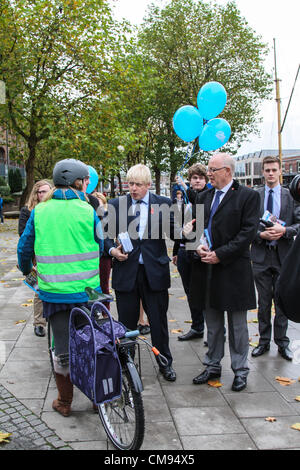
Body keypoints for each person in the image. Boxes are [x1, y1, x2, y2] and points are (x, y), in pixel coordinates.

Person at [17, 158, 104, 417]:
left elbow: (24, 247)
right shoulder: (88, 210)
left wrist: (26, 270)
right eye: (85, 181)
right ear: (78, 182)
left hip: (54, 293)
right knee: (92, 343)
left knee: (62, 350)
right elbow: (100, 245)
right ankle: (97, 399)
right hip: (88, 292)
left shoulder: (40, 211)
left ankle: (65, 402)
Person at [187, 153, 260, 392]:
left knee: (238, 325)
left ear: (227, 171)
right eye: (209, 169)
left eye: (212, 169)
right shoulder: (203, 196)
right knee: (213, 323)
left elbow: (247, 233)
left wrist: (220, 254)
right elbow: (193, 229)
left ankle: (240, 370)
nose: (209, 173)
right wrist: (197, 245)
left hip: (233, 270)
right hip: (206, 269)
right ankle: (212, 365)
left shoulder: (248, 197)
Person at [105, 163, 178, 382]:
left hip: (154, 273)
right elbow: (105, 236)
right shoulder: (116, 204)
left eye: (138, 184)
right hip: (126, 272)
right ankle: (127, 366)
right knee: (126, 324)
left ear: (148, 185)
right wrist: (112, 250)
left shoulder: (164, 204)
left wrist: (184, 231)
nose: (133, 188)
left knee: (159, 323)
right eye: (130, 184)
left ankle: (165, 362)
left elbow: (174, 232)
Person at [250, 156, 300, 361]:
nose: (270, 173)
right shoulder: (255, 196)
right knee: (263, 302)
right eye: (267, 170)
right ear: (262, 172)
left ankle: (282, 342)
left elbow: (298, 224)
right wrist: (260, 235)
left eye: (274, 170)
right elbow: (246, 225)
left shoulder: (291, 196)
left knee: (281, 302)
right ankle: (263, 341)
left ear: (280, 171)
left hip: (283, 257)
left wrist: (285, 230)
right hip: (261, 255)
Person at [173, 164, 208, 341]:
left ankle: (216, 332)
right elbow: (180, 229)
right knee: (190, 292)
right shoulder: (184, 202)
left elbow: (198, 198)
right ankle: (197, 326)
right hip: (184, 251)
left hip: (202, 252)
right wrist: (175, 251)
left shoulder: (206, 197)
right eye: (194, 178)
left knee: (204, 292)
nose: (197, 181)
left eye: (201, 178)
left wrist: (186, 187)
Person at [18, 180, 52, 337]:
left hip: (53, 252)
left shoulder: (54, 209)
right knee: (39, 289)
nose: (43, 194)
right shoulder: (28, 211)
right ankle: (39, 323)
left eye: (46, 191)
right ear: (36, 194)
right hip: (36, 254)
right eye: (40, 192)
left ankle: (54, 316)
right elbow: (23, 235)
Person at [93, 191, 112, 310]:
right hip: (90, 256)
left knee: (104, 285)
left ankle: (106, 313)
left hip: (104, 256)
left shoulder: (107, 218)